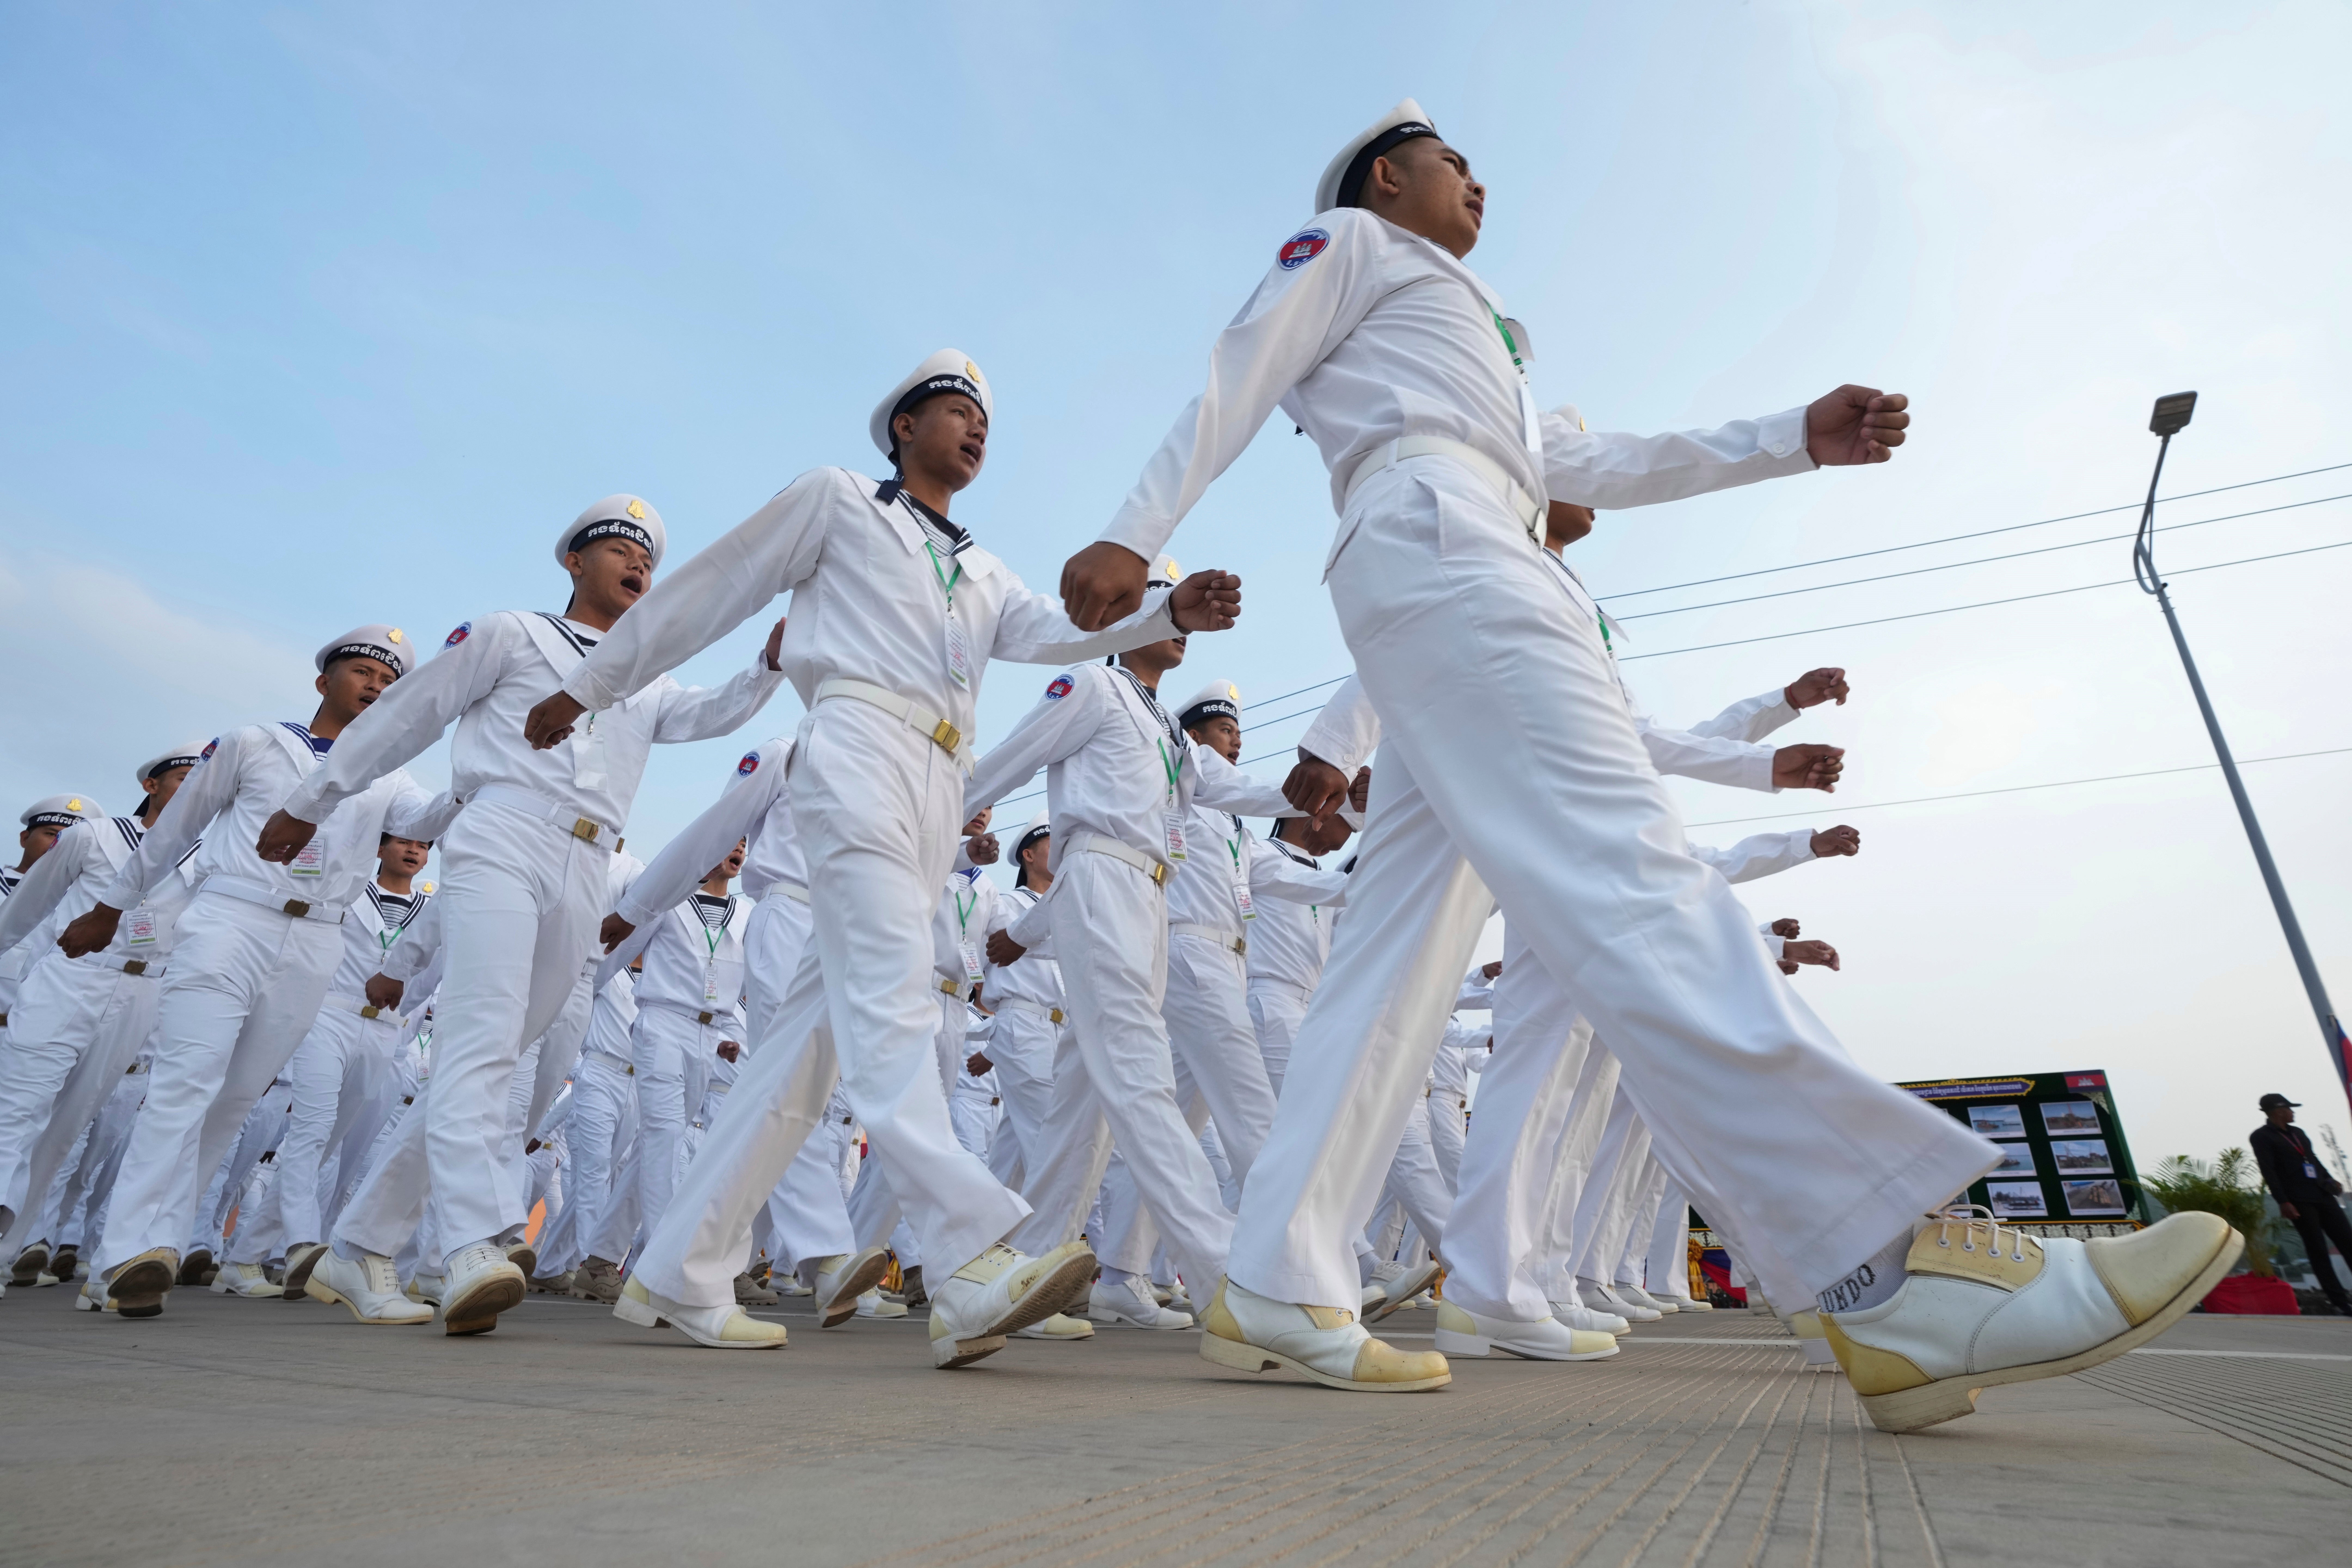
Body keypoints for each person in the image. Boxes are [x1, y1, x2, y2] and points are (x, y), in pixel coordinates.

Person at [1056, 100, 2240, 1414]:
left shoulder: (1486, 338)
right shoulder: (1352, 245)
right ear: (1391, 174)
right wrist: (1135, 531)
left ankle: (1281, 1270)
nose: (1478, 180)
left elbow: (1593, 459)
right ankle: (1888, 1270)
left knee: (1392, 961)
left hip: (1470, 548)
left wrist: (1789, 436)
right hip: (1440, 539)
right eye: (1456, 161)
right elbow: (1244, 366)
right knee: (1631, 870)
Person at [531, 351, 1241, 1365]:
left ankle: (679, 1266)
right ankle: (967, 1254)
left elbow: (1048, 635)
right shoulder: (836, 503)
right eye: (953, 410)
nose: (974, 428)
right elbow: (712, 590)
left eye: (984, 419)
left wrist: (1164, 615)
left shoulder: (985, 569)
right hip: (858, 743)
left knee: (807, 1046)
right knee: (895, 991)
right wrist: (594, 684)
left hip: (936, 786)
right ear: (901, 426)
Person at [281, 499, 785, 1337]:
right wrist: (315, 797)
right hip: (502, 833)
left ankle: (362, 1244)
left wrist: (764, 669)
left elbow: (707, 717)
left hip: (587, 864)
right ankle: (478, 1239)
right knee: (481, 1036)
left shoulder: (643, 674)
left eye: (648, 559)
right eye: (620, 550)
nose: (637, 567)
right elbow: (410, 717)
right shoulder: (509, 634)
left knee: (500, 1051)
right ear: (574, 562)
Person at [51, 630, 449, 1318]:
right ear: (324, 680)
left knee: (235, 1099)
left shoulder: (390, 772)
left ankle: (155, 1249)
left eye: (388, 680)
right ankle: (120, 1255)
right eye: (362, 671)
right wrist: (110, 907)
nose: (376, 686)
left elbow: (422, 817)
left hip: (314, 941)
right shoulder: (255, 742)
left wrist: (490, 779)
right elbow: (177, 830)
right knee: (185, 1082)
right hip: (234, 916)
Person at [967, 629, 1297, 1322]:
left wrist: (1316, 796)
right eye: (1162, 601)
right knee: (1140, 1072)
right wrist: (941, 816)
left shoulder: (1169, 734)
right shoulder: (1094, 686)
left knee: (1081, 1103)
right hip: (1101, 873)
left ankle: (1017, 1278)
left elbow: (1236, 785)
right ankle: (1228, 1281)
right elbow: (1017, 753)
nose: (1180, 626)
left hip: (1149, 892)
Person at [241, 833, 437, 1302]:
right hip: (330, 1015)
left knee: (329, 1150)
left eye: (424, 846)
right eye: (404, 842)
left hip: (386, 1032)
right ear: (379, 848)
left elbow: (430, 980)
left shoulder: (432, 913)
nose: (414, 852)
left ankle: (242, 1257)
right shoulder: (348, 892)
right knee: (311, 1131)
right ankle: (304, 1244)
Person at [2251, 1094, 2351, 1316]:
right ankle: (2341, 1303)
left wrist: (2329, 1179)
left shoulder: (2298, 1134)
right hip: (2298, 1200)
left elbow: (2312, 1160)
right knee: (2317, 1249)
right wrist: (2283, 1202)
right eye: (2290, 1109)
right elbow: (2269, 1171)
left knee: (2348, 1241)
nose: (2293, 1113)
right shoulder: (2262, 1137)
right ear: (2279, 1111)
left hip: (2322, 1194)